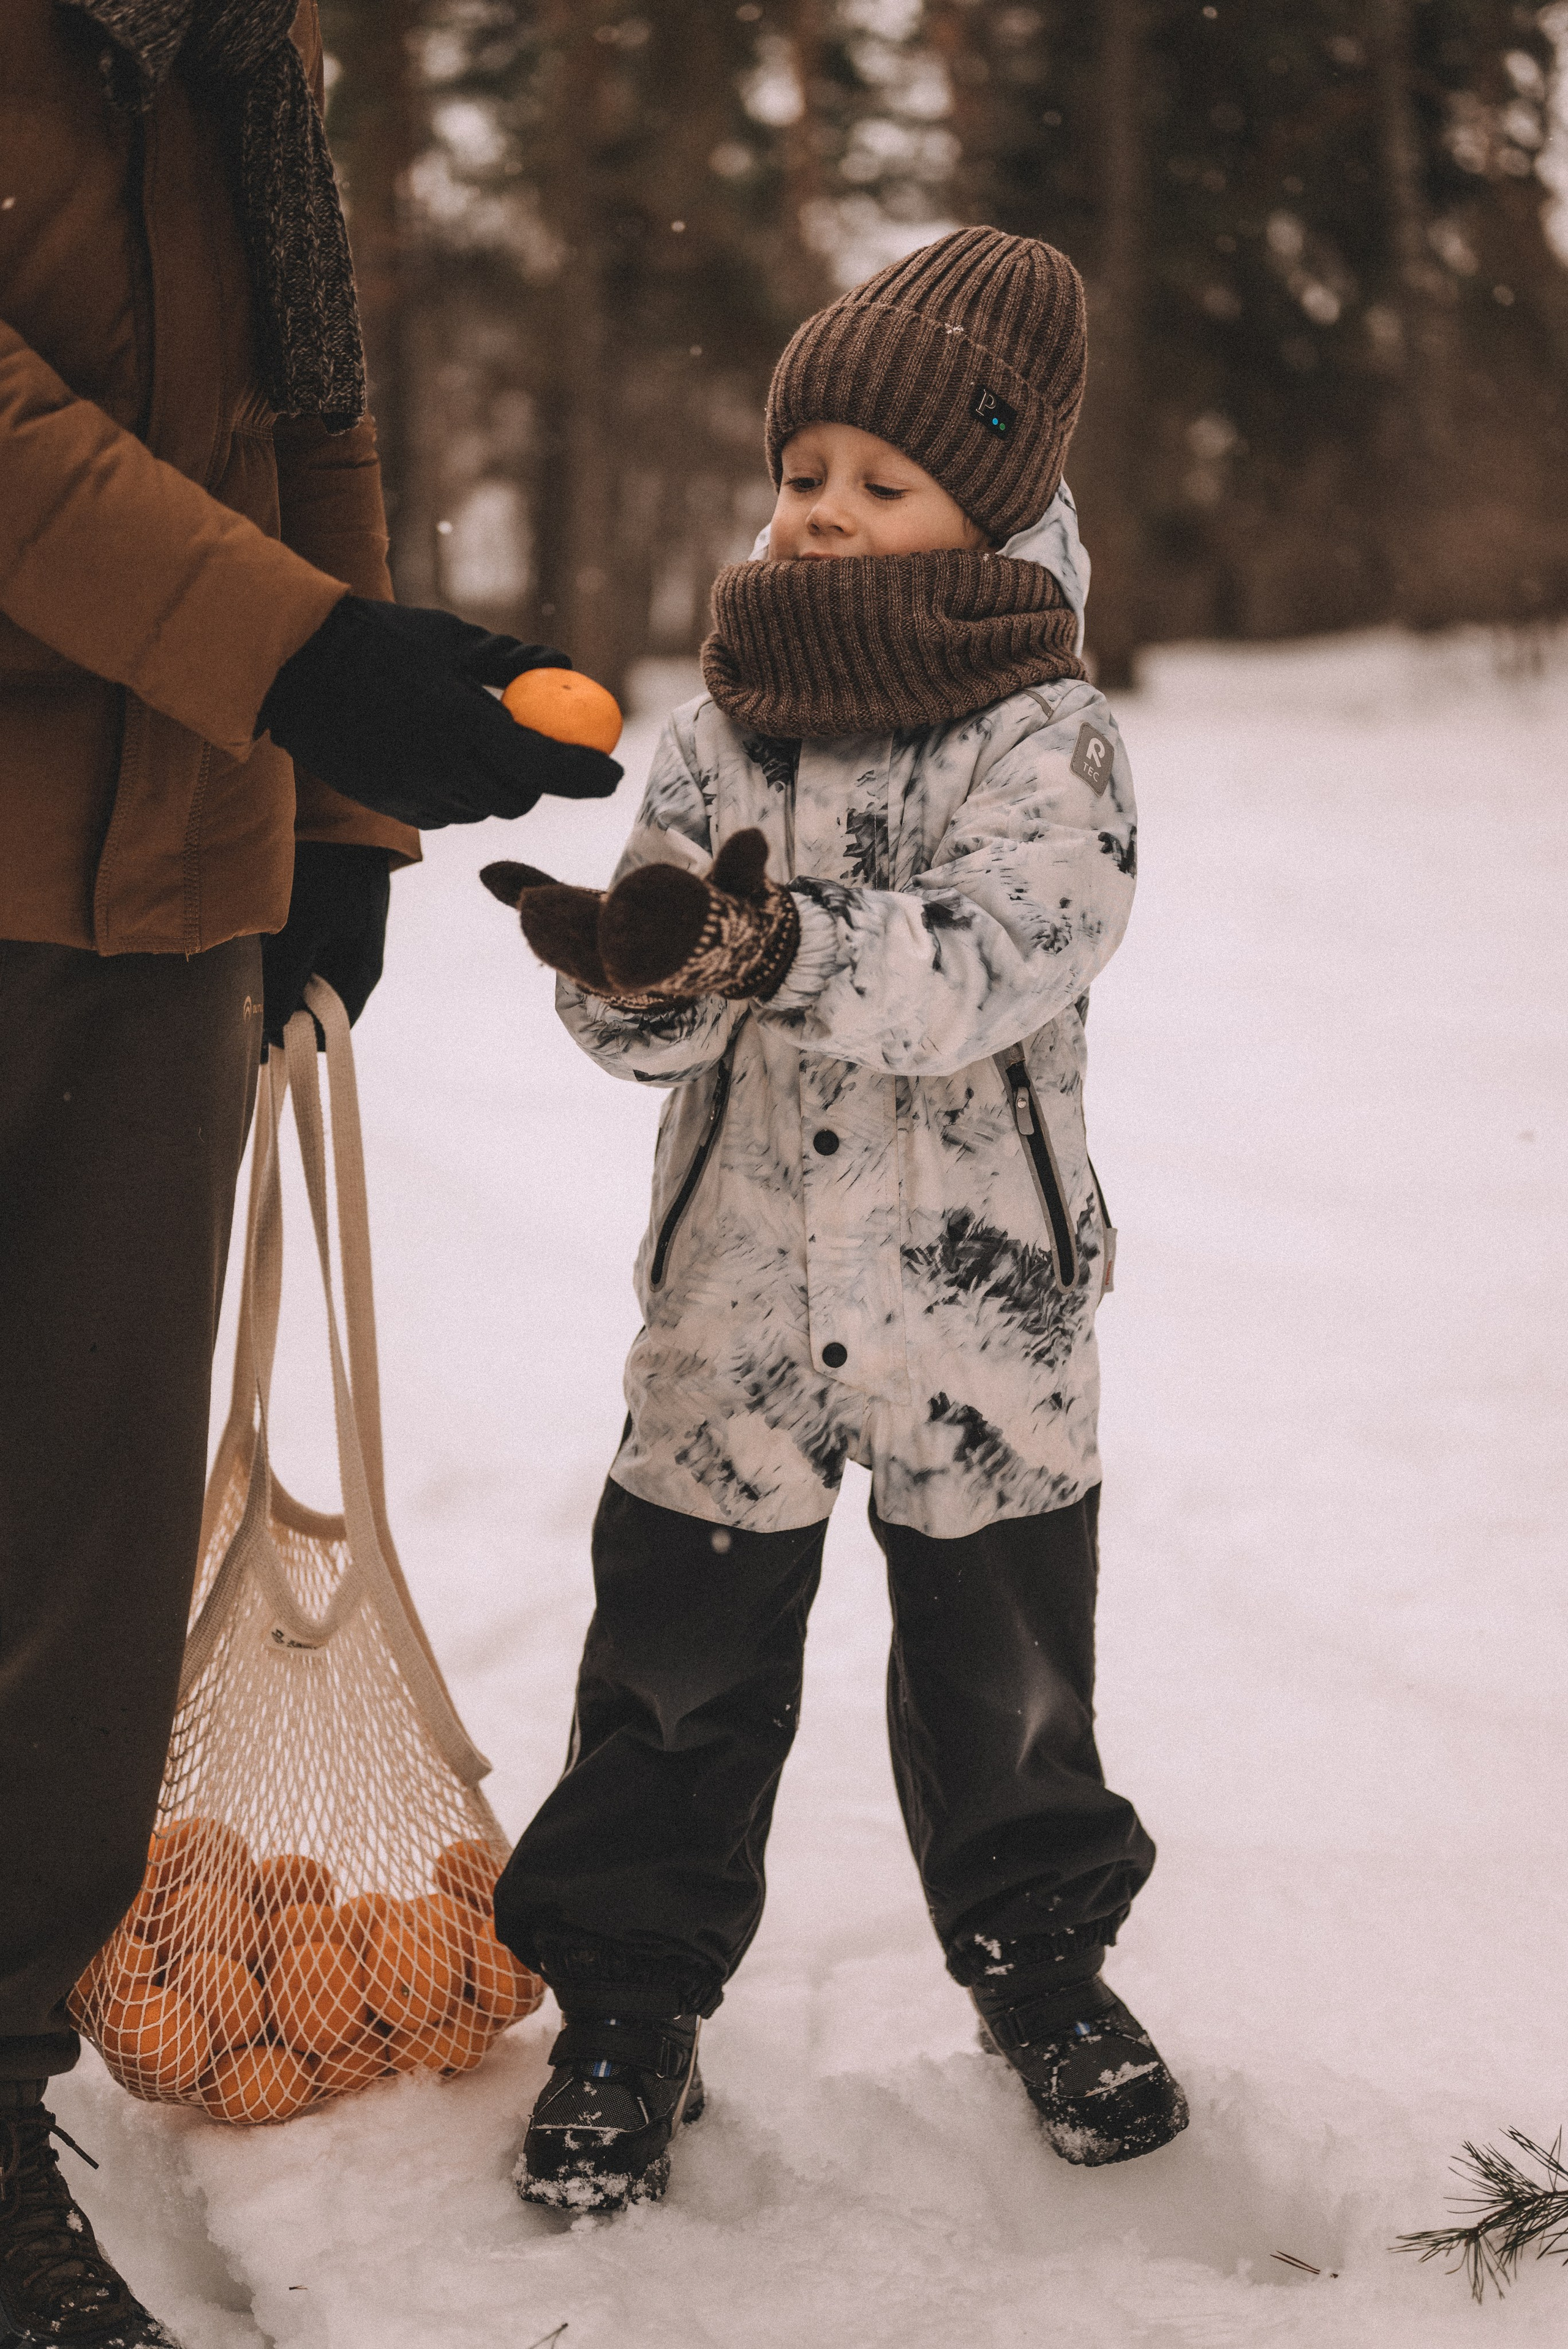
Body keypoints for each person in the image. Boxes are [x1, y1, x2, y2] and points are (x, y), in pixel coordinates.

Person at [0, 5, 617, 2340]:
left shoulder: (238, 42)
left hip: (160, 900)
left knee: (75, 1553)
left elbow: (310, 421)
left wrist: (336, 820)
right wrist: (308, 661)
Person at [484, 227, 1187, 2213]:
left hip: (987, 1313)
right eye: (806, 476)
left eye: (881, 483)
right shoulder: (719, 729)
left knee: (1012, 1686)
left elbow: (985, 961)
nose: (827, 513)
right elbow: (661, 1003)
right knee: (677, 1678)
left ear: (992, 502)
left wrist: (771, 935)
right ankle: (629, 2000)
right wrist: (640, 975)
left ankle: (1042, 1964)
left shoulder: (1048, 737)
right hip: (738, 1310)